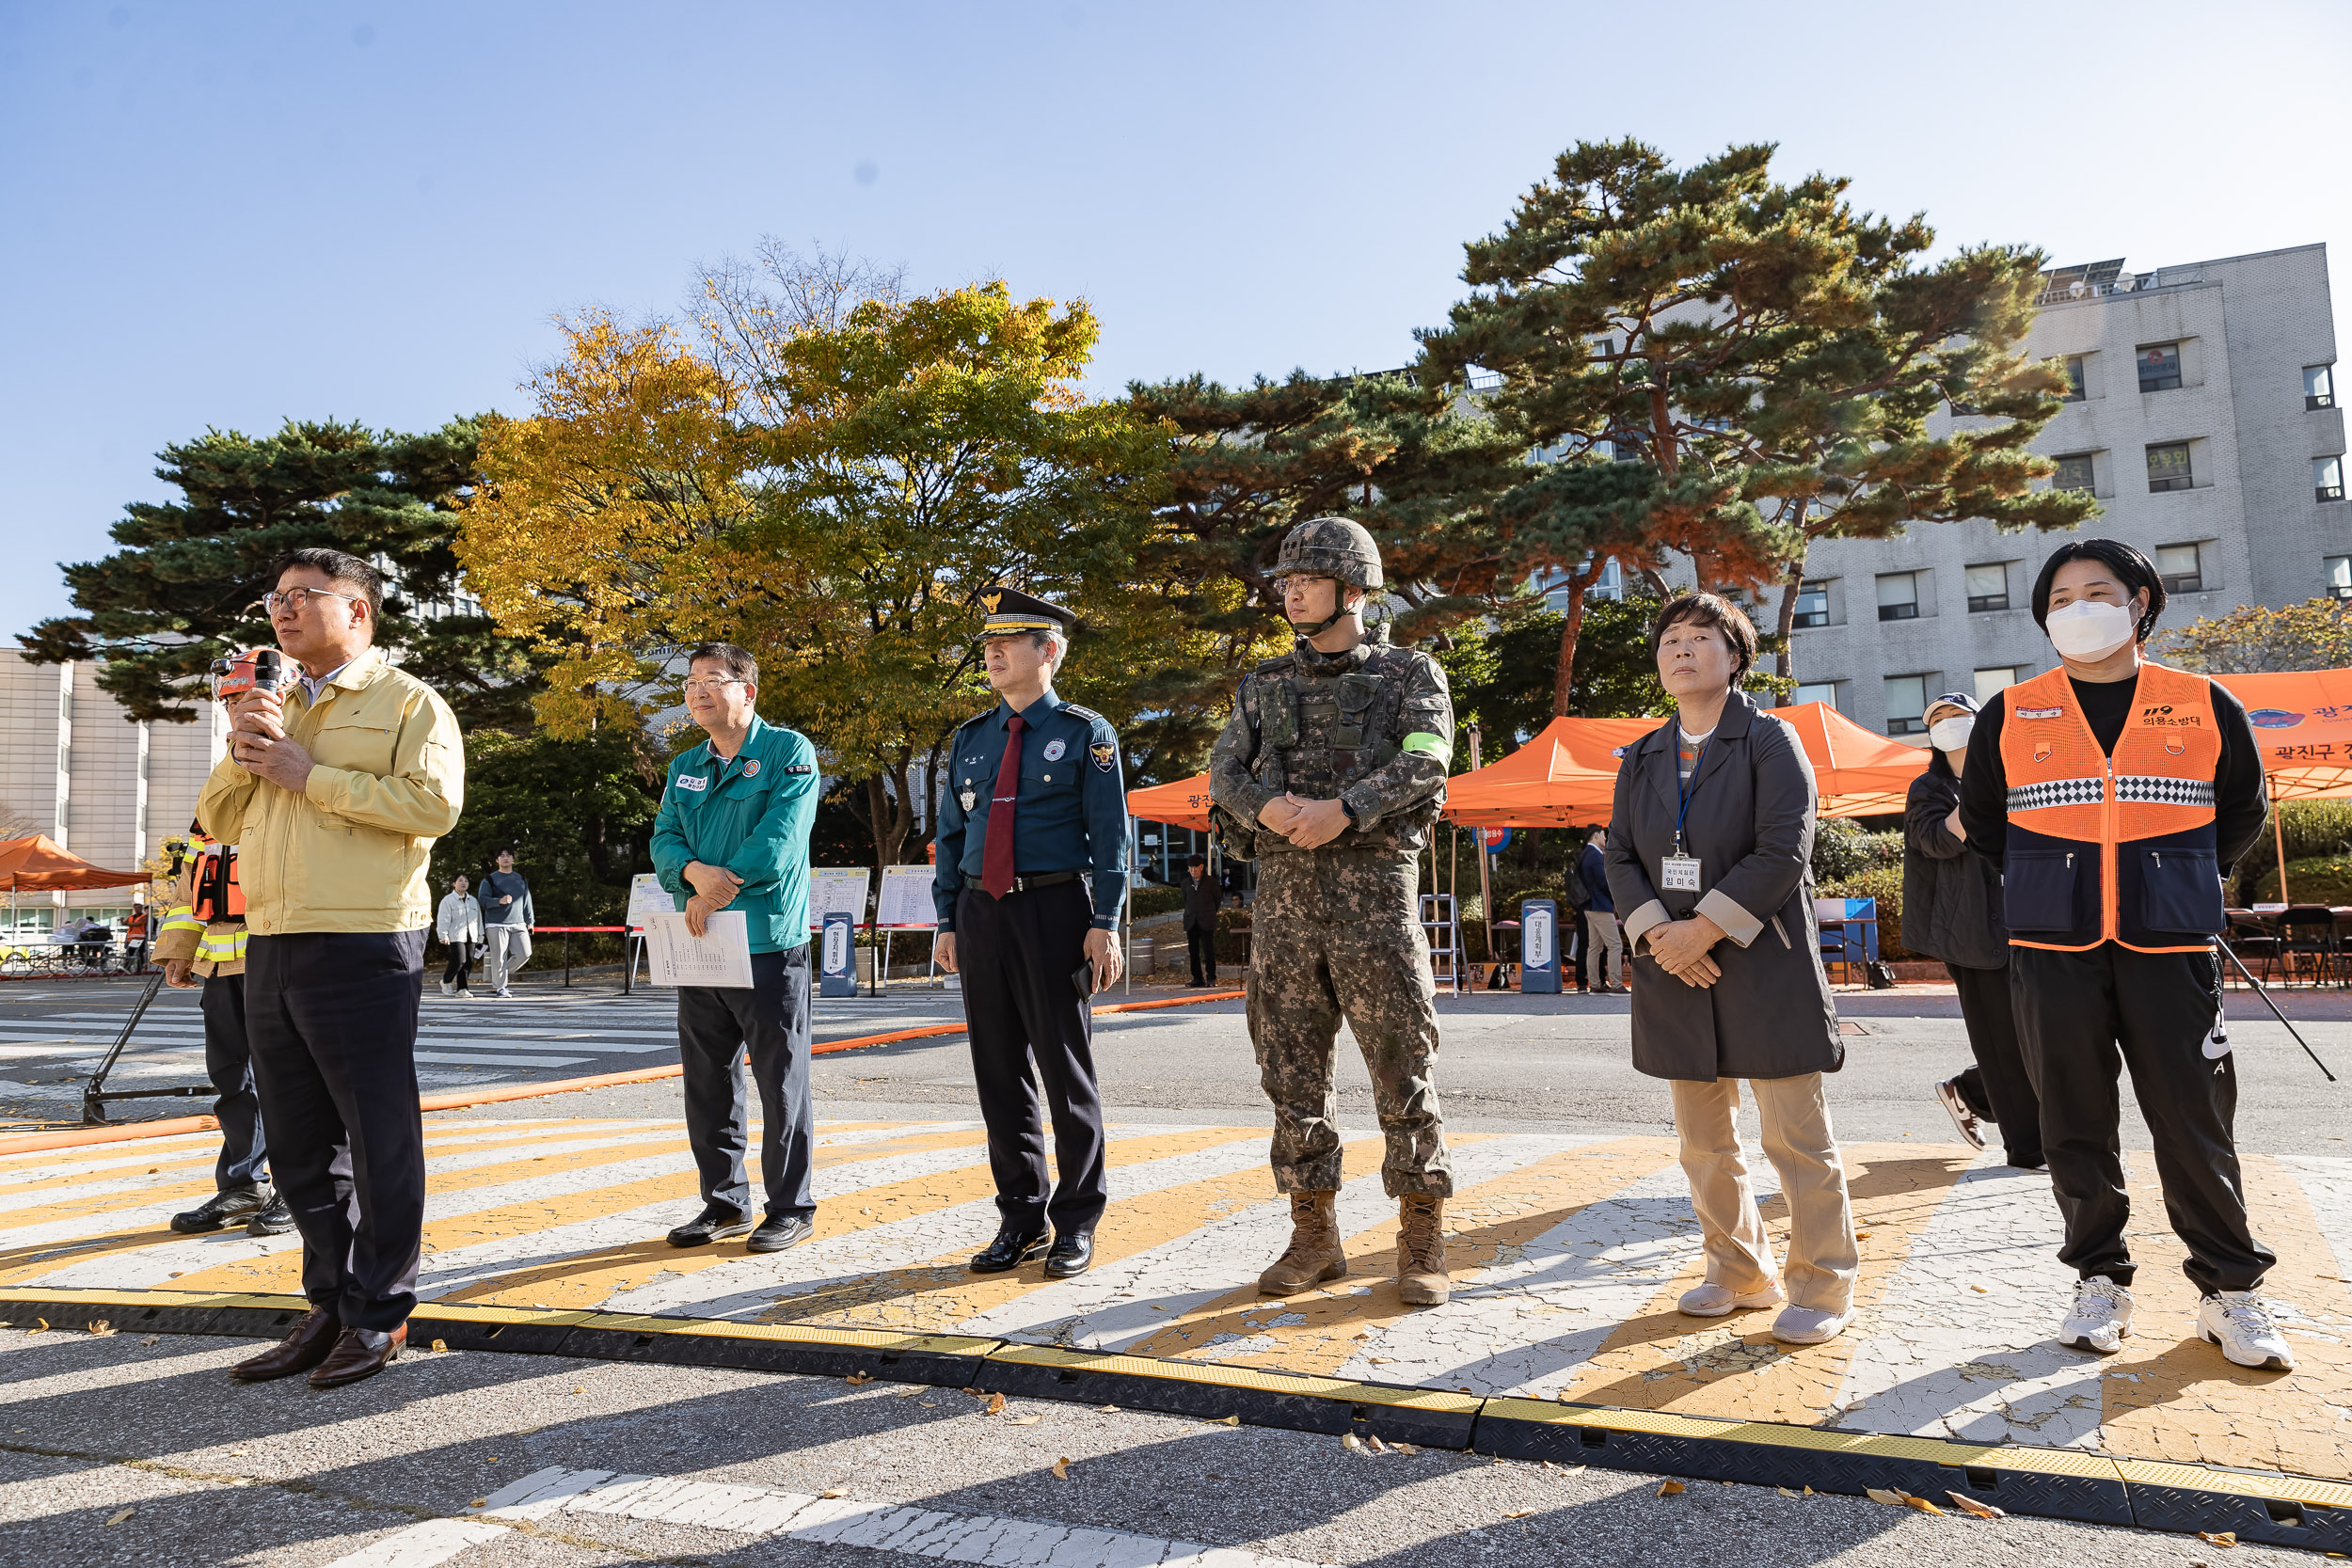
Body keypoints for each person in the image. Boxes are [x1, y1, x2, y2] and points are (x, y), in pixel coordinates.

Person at [1958, 539, 2291, 1370]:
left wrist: (2170, 872)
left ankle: (2231, 1290)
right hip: (2051, 943)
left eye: (2096, 591)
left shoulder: (2203, 701)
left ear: (2140, 600)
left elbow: (2240, 813)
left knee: (2193, 1119)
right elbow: (1989, 825)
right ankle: (2099, 1278)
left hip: (2170, 939)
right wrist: (2056, 878)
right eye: (2060, 597)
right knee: (2073, 1119)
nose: (2078, 608)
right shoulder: (2013, 711)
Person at [196, 546, 464, 1389]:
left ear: (359, 612)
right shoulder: (268, 702)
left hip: (362, 936)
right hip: (268, 935)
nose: (284, 608)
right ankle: (329, 1300)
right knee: (301, 1142)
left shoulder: (408, 702)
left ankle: (381, 1309)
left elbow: (434, 806)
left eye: (307, 595)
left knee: (377, 1132)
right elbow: (215, 817)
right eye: (277, 597)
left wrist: (314, 776)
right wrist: (244, 744)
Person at [1208, 518, 1457, 1307]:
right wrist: (1268, 812)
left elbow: (1427, 757)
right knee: (1290, 1072)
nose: (1290, 591)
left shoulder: (1409, 673)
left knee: (1401, 1067)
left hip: (1374, 902)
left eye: (1307, 580)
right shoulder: (1263, 682)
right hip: (1283, 907)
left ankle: (1420, 1232)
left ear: (1353, 589)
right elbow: (1224, 768)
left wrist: (1345, 810)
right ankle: (1314, 1234)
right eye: (1285, 581)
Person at [1605, 592, 1857, 1346]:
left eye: (1701, 637)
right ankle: (1738, 1269)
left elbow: (1784, 850)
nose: (1681, 649)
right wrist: (1661, 937)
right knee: (1703, 1141)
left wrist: (1702, 931)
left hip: (1758, 962)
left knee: (1795, 1139)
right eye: (1670, 639)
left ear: (1736, 655)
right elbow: (1617, 854)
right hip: (1675, 967)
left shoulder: (1772, 740)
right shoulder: (1645, 753)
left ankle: (1822, 1281)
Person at [933, 588, 1128, 1280]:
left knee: (1064, 1068)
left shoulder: (1084, 732)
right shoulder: (971, 738)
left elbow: (1111, 836)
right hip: (983, 914)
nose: (992, 651)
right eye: (988, 642)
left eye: (1009, 641)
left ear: (1049, 650)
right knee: (998, 1071)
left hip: (1055, 911)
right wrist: (947, 919)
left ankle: (1076, 1220)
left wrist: (1105, 922)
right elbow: (953, 837)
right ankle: (1020, 1217)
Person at [649, 642, 824, 1254]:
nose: (697, 691)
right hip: (699, 940)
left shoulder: (787, 752)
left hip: (768, 941)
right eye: (691, 682)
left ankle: (790, 1205)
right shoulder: (685, 766)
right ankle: (724, 1202)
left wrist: (714, 888)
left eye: (712, 680)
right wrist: (693, 876)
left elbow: (777, 841)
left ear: (747, 691)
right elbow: (664, 838)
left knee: (781, 1081)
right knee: (708, 1080)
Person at [1904, 691, 2043, 1171]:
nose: (1948, 723)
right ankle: (2027, 1147)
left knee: (2046, 1033)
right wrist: (1980, 793)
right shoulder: (1930, 788)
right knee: (2002, 1039)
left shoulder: (2016, 776)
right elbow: (1936, 841)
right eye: (1937, 718)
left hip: (2029, 923)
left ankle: (1969, 1090)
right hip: (1970, 932)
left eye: (1958, 715)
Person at [154, 822, 294, 1239]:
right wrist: (179, 949)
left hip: (280, 958)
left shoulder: (285, 788)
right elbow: (188, 889)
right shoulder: (210, 815)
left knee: (289, 1082)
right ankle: (243, 1185)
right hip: (221, 966)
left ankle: (300, 1186)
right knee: (233, 1081)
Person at [478, 847, 535, 997]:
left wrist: (530, 921)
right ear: (497, 860)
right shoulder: (489, 879)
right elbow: (483, 901)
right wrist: (499, 901)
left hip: (518, 923)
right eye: (501, 856)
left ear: (513, 860)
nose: (505, 858)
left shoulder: (520, 879)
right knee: (499, 957)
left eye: (508, 855)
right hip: (496, 923)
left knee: (525, 953)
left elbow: (527, 901)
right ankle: (501, 987)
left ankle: (498, 978)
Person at [1579, 824, 1625, 994]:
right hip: (1600, 906)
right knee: (1615, 945)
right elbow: (1604, 882)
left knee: (1595, 947)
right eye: (1603, 835)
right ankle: (1616, 984)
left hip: (1590, 906)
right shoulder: (1594, 855)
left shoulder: (1586, 854)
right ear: (1596, 835)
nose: (1605, 839)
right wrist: (1618, 898)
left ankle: (1596, 984)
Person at [436, 874, 485, 998]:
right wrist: (443, 935)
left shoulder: (473, 900)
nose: (463, 883)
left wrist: (480, 936)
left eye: (466, 881)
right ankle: (446, 981)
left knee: (468, 962)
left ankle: (462, 988)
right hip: (455, 936)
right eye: (460, 881)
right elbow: (443, 919)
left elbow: (478, 919)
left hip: (471, 935)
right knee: (459, 960)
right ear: (454, 884)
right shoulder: (448, 900)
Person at [1182, 853, 1223, 987]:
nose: (1193, 871)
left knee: (1208, 951)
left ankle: (1211, 977)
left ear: (1201, 867)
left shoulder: (1211, 882)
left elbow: (1217, 900)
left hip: (1207, 921)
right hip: (1191, 922)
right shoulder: (1185, 883)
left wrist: (1210, 913)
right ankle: (1197, 978)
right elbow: (1185, 900)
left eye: (1195, 868)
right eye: (1190, 868)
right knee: (1193, 952)